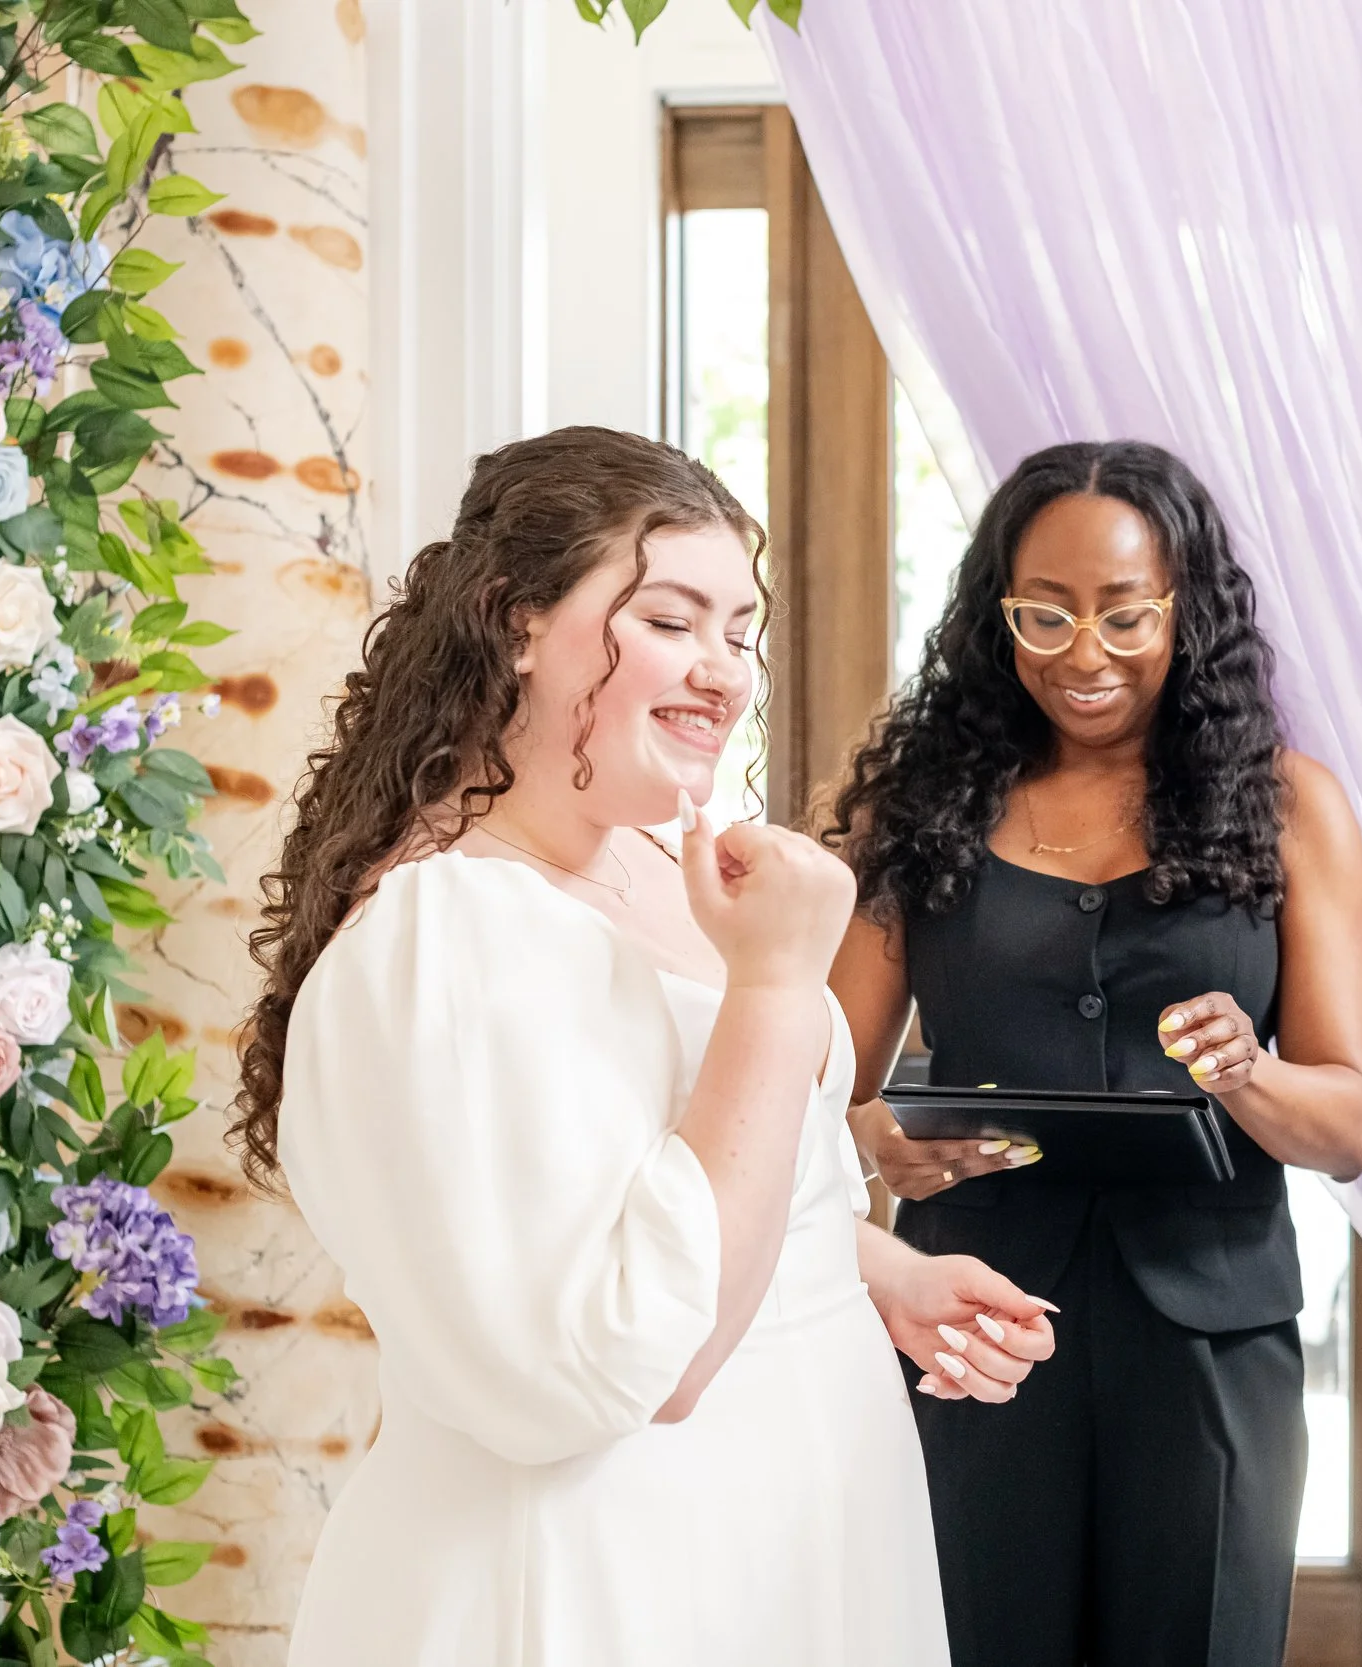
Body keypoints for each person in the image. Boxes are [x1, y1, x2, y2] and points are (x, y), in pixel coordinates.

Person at [231, 429, 1057, 1667]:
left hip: (805, 1538)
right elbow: (626, 1352)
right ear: (514, 620)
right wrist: (777, 984)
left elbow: (658, 1182)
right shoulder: (441, 939)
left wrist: (864, 1272)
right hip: (606, 1575)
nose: (723, 672)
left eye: (739, 632)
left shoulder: (661, 868)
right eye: (671, 620)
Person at [823, 440, 1362, 1667]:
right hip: (970, 1327)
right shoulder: (912, 809)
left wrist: (1249, 1071)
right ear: (994, 614)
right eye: (1046, 613)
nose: (1084, 654)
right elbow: (822, 1086)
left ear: (1187, 607)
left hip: (1212, 1341)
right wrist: (879, 1143)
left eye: (1126, 614)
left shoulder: (1293, 807)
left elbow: (1346, 1127)